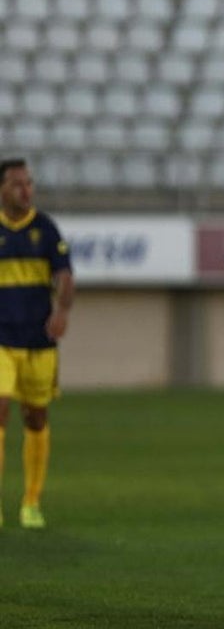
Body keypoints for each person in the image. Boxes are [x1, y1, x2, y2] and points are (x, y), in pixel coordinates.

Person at [0, 158, 74, 531]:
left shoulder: (44, 228)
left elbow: (64, 275)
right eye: (17, 184)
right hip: (1, 340)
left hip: (38, 341)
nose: (26, 190)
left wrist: (61, 310)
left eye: (29, 183)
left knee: (35, 417)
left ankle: (31, 501)